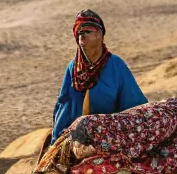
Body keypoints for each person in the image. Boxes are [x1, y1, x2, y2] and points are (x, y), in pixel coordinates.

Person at [52, 10, 146, 140]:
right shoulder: (73, 69)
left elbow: (134, 107)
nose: (82, 37)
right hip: (75, 138)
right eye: (79, 33)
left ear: (100, 34)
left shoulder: (116, 66)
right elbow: (63, 107)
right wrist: (56, 140)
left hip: (111, 136)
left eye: (87, 32)